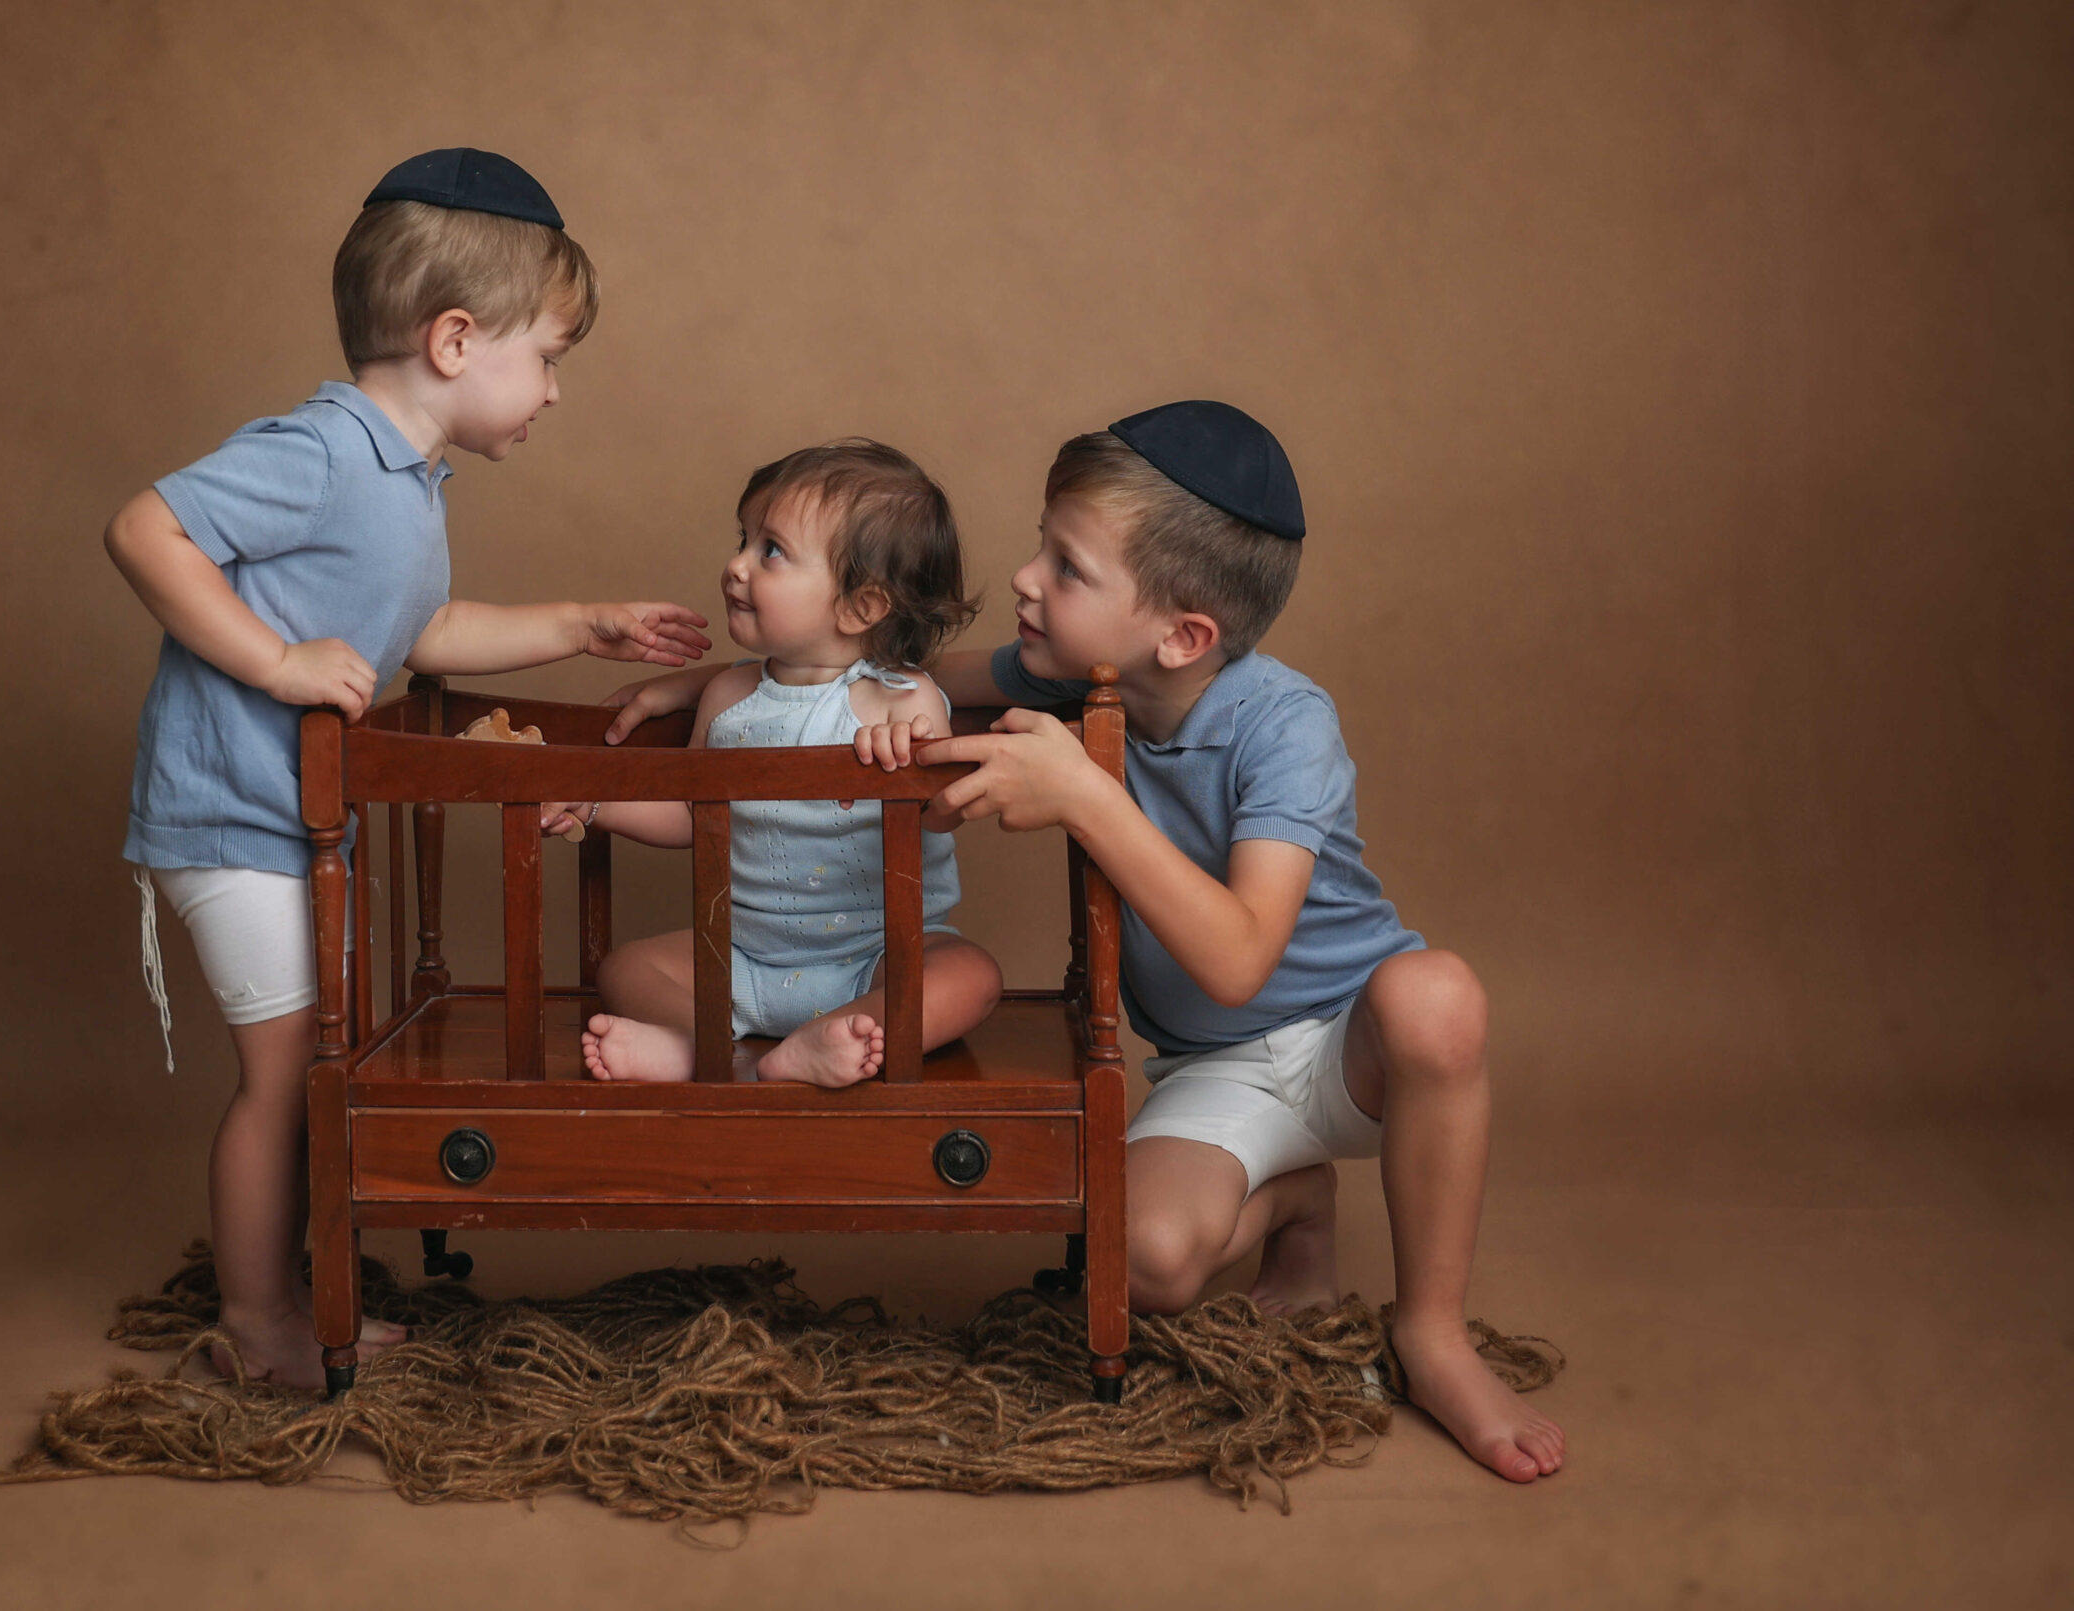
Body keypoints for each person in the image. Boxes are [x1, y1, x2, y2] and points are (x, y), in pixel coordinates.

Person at [605, 402, 1566, 1483]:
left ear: (1182, 636)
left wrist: (1083, 795)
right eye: (1041, 547)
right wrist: (714, 687)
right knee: (1140, 1263)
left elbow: (1239, 958)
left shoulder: (1283, 722)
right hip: (1214, 1068)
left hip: (1354, 1044)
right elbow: (875, 667)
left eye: (1065, 567)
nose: (1025, 578)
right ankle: (1296, 1199)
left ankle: (1433, 1331)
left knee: (1436, 993)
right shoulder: (1062, 675)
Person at [105, 149, 711, 1387]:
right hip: (230, 817)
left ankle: (297, 1290)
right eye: (548, 358)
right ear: (454, 340)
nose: (555, 392)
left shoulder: (406, 477)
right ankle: (260, 1320)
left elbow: (421, 633)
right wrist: (274, 661)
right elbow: (145, 529)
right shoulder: (326, 452)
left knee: (319, 1068)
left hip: (290, 820)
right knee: (287, 1079)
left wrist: (579, 623)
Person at [543, 439, 1004, 1088]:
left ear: (861, 606)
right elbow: (691, 813)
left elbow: (945, 815)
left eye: (772, 551)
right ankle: (692, 1042)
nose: (736, 565)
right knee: (626, 968)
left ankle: (843, 1032)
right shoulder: (729, 697)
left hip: (877, 956)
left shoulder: (902, 699)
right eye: (744, 540)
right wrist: (594, 802)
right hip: (741, 953)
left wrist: (912, 767)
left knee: (972, 976)